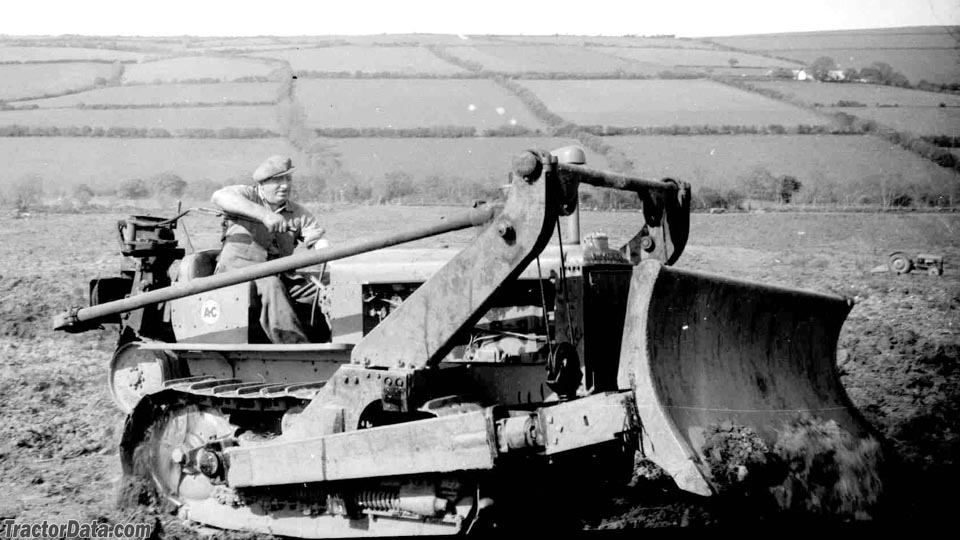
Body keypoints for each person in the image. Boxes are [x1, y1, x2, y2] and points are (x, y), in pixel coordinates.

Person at [211, 155, 328, 344]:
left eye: (288, 179)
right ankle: (295, 348)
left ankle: (339, 343)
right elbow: (219, 197)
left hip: (280, 278)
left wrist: (328, 255)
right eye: (277, 180)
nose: (285, 186)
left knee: (329, 286)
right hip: (236, 277)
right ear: (262, 184)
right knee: (272, 285)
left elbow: (317, 239)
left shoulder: (298, 212)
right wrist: (265, 215)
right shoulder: (247, 196)